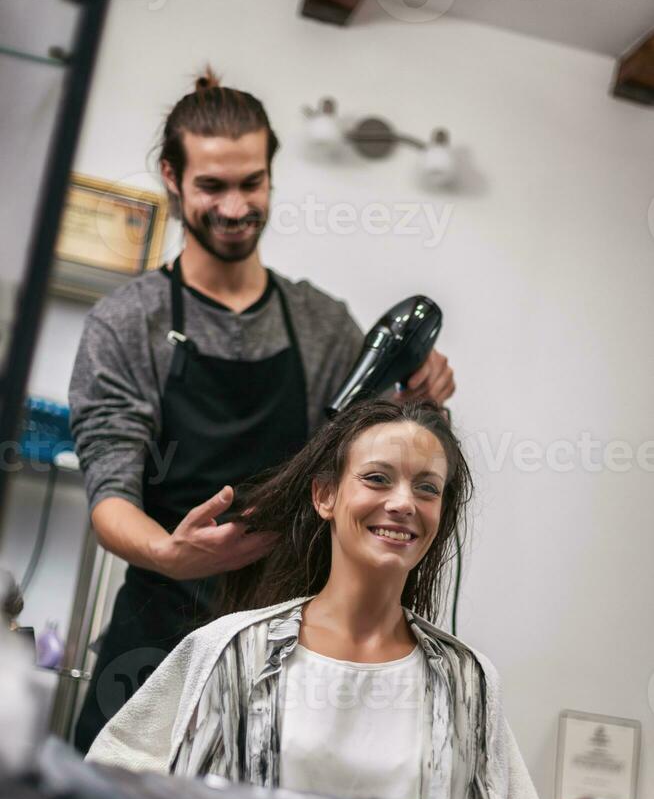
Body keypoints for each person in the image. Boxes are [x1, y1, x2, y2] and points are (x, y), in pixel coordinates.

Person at [69, 68, 456, 753]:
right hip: (157, 635)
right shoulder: (128, 322)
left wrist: (415, 404)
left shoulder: (321, 323)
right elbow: (109, 493)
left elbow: (371, 467)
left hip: (287, 650)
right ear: (172, 176)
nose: (235, 205)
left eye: (252, 183)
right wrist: (169, 552)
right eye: (213, 186)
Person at [86, 399, 545, 799]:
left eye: (427, 488)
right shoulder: (228, 652)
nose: (404, 503)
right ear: (325, 496)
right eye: (378, 479)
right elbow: (105, 789)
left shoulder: (469, 681)